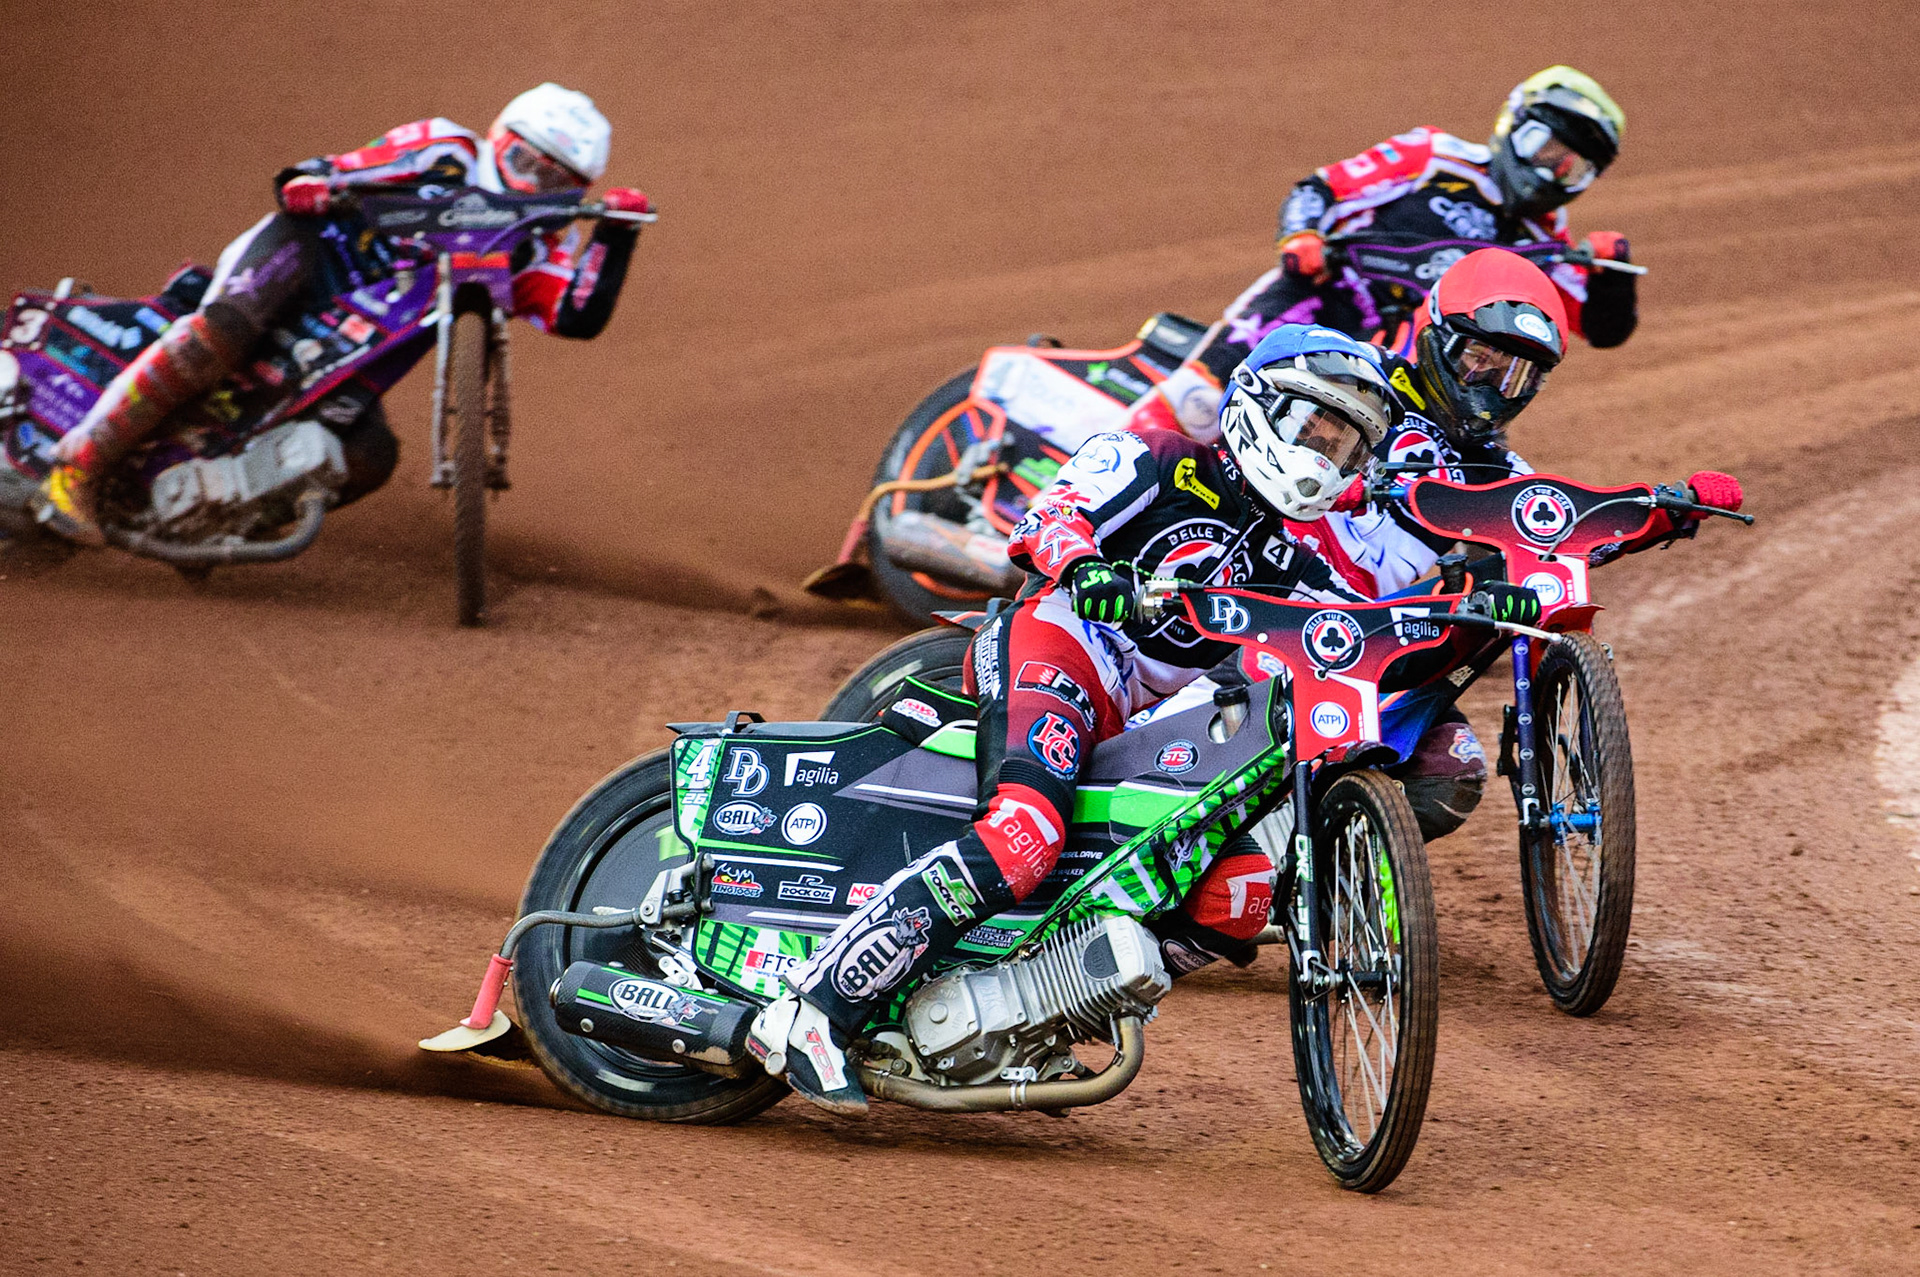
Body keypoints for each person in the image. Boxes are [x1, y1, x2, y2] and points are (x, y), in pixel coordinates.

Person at [746, 324, 1542, 1115]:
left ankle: (1035, 1008)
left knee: (1236, 888)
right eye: (1315, 429)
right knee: (1024, 836)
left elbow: (1362, 625)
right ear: (1259, 406)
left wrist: (1470, 607)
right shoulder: (1156, 457)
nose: (1324, 457)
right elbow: (1046, 518)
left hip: (1143, 720)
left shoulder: (1304, 552)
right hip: (1062, 644)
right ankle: (811, 1009)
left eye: (1344, 448)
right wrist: (1088, 567)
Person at [37, 83, 653, 544]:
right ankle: (78, 467)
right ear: (499, 141)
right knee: (223, 333)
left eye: (551, 184)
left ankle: (214, 525)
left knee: (370, 456)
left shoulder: (534, 245)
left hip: (360, 349)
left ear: (573, 194)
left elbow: (575, 314)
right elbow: (345, 169)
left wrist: (616, 238)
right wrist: (316, 180)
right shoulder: (447, 149)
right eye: (524, 164)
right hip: (311, 261)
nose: (529, 189)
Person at [1283, 247, 1743, 839]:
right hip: (1279, 615)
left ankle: (1330, 879)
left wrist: (1665, 514)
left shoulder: (1499, 464)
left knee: (1449, 777)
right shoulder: (1359, 385)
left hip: (1381, 649)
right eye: (1482, 360)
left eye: (1516, 374)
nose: (1495, 387)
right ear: (1438, 338)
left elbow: (1558, 535)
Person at [1130, 66, 1638, 440]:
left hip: (1400, 357)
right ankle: (1105, 465)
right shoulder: (1434, 157)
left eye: (1574, 168)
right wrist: (1302, 238)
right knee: (1196, 407)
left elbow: (1600, 329)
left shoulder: (1546, 244)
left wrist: (1613, 273)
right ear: (1512, 124)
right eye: (1543, 148)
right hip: (1320, 297)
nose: (1551, 172)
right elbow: (1320, 189)